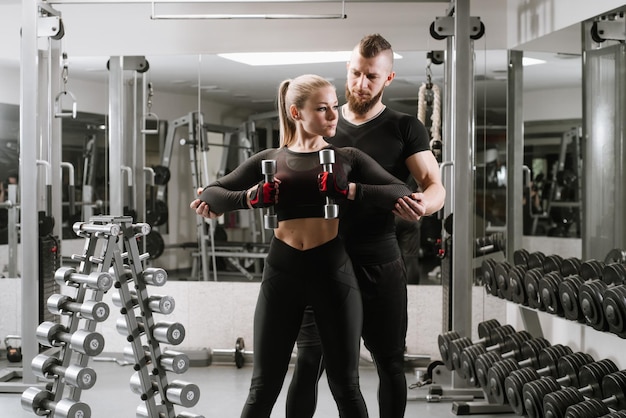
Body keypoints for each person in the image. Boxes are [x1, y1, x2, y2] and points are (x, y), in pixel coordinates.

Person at [190, 74, 416, 418]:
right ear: (296, 113)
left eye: (335, 108)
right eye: (322, 109)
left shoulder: (347, 158)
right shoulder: (270, 159)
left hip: (333, 273)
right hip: (283, 273)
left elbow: (400, 191)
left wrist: (350, 190)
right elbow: (211, 193)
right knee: (263, 387)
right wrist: (249, 198)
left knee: (346, 386)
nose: (333, 116)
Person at [286, 34, 446, 418]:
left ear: (388, 79)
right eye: (355, 73)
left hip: (379, 258)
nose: (360, 84)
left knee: (389, 362)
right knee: (309, 362)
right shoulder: (321, 122)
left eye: (371, 77)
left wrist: (423, 205)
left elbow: (434, 185)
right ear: (347, 68)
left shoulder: (405, 127)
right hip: (323, 258)